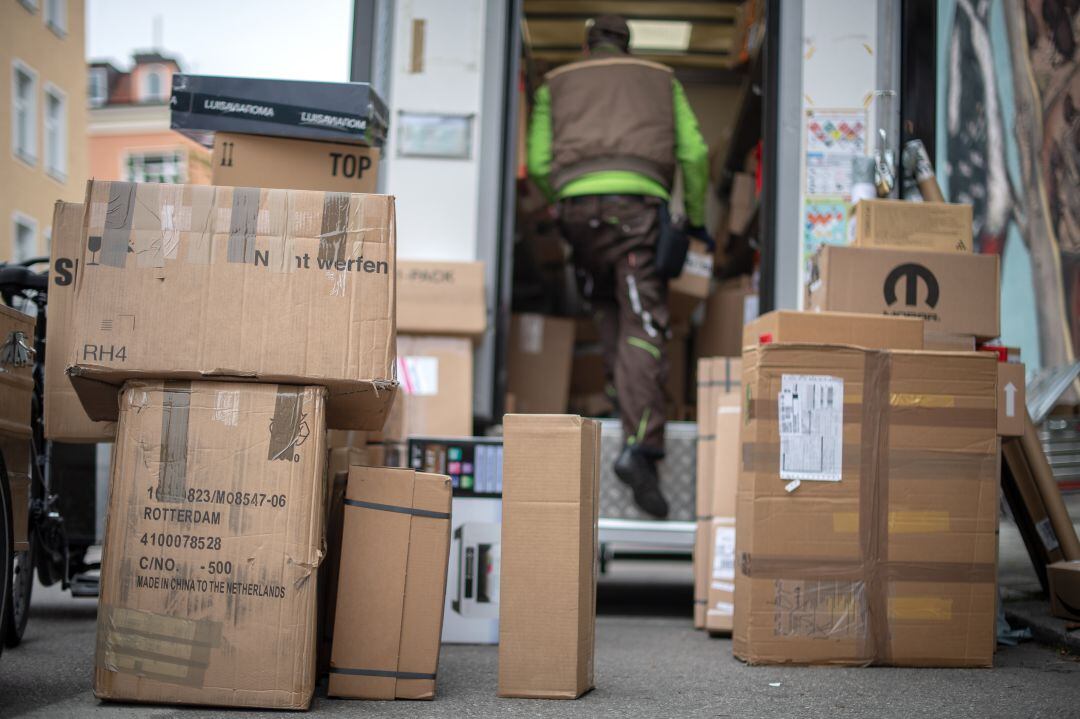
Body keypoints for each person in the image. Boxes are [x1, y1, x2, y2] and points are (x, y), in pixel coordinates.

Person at [527, 14, 711, 519]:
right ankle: (642, 449)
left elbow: (539, 162)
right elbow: (695, 153)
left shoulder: (556, 83)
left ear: (588, 47)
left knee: (608, 311)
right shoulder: (660, 78)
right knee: (644, 323)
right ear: (628, 46)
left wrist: (560, 199)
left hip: (579, 219)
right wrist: (692, 218)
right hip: (635, 214)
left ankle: (621, 407)